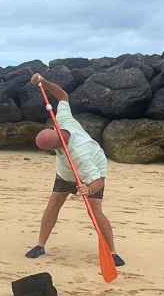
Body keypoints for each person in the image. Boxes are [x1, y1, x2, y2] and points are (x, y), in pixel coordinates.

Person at [25, 73, 124, 266]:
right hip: (65, 171)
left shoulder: (80, 154)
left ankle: (112, 252)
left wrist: (89, 189)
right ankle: (40, 245)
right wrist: (44, 82)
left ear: (55, 147)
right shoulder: (62, 120)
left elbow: (98, 181)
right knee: (54, 203)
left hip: (94, 167)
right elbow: (63, 96)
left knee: (95, 210)